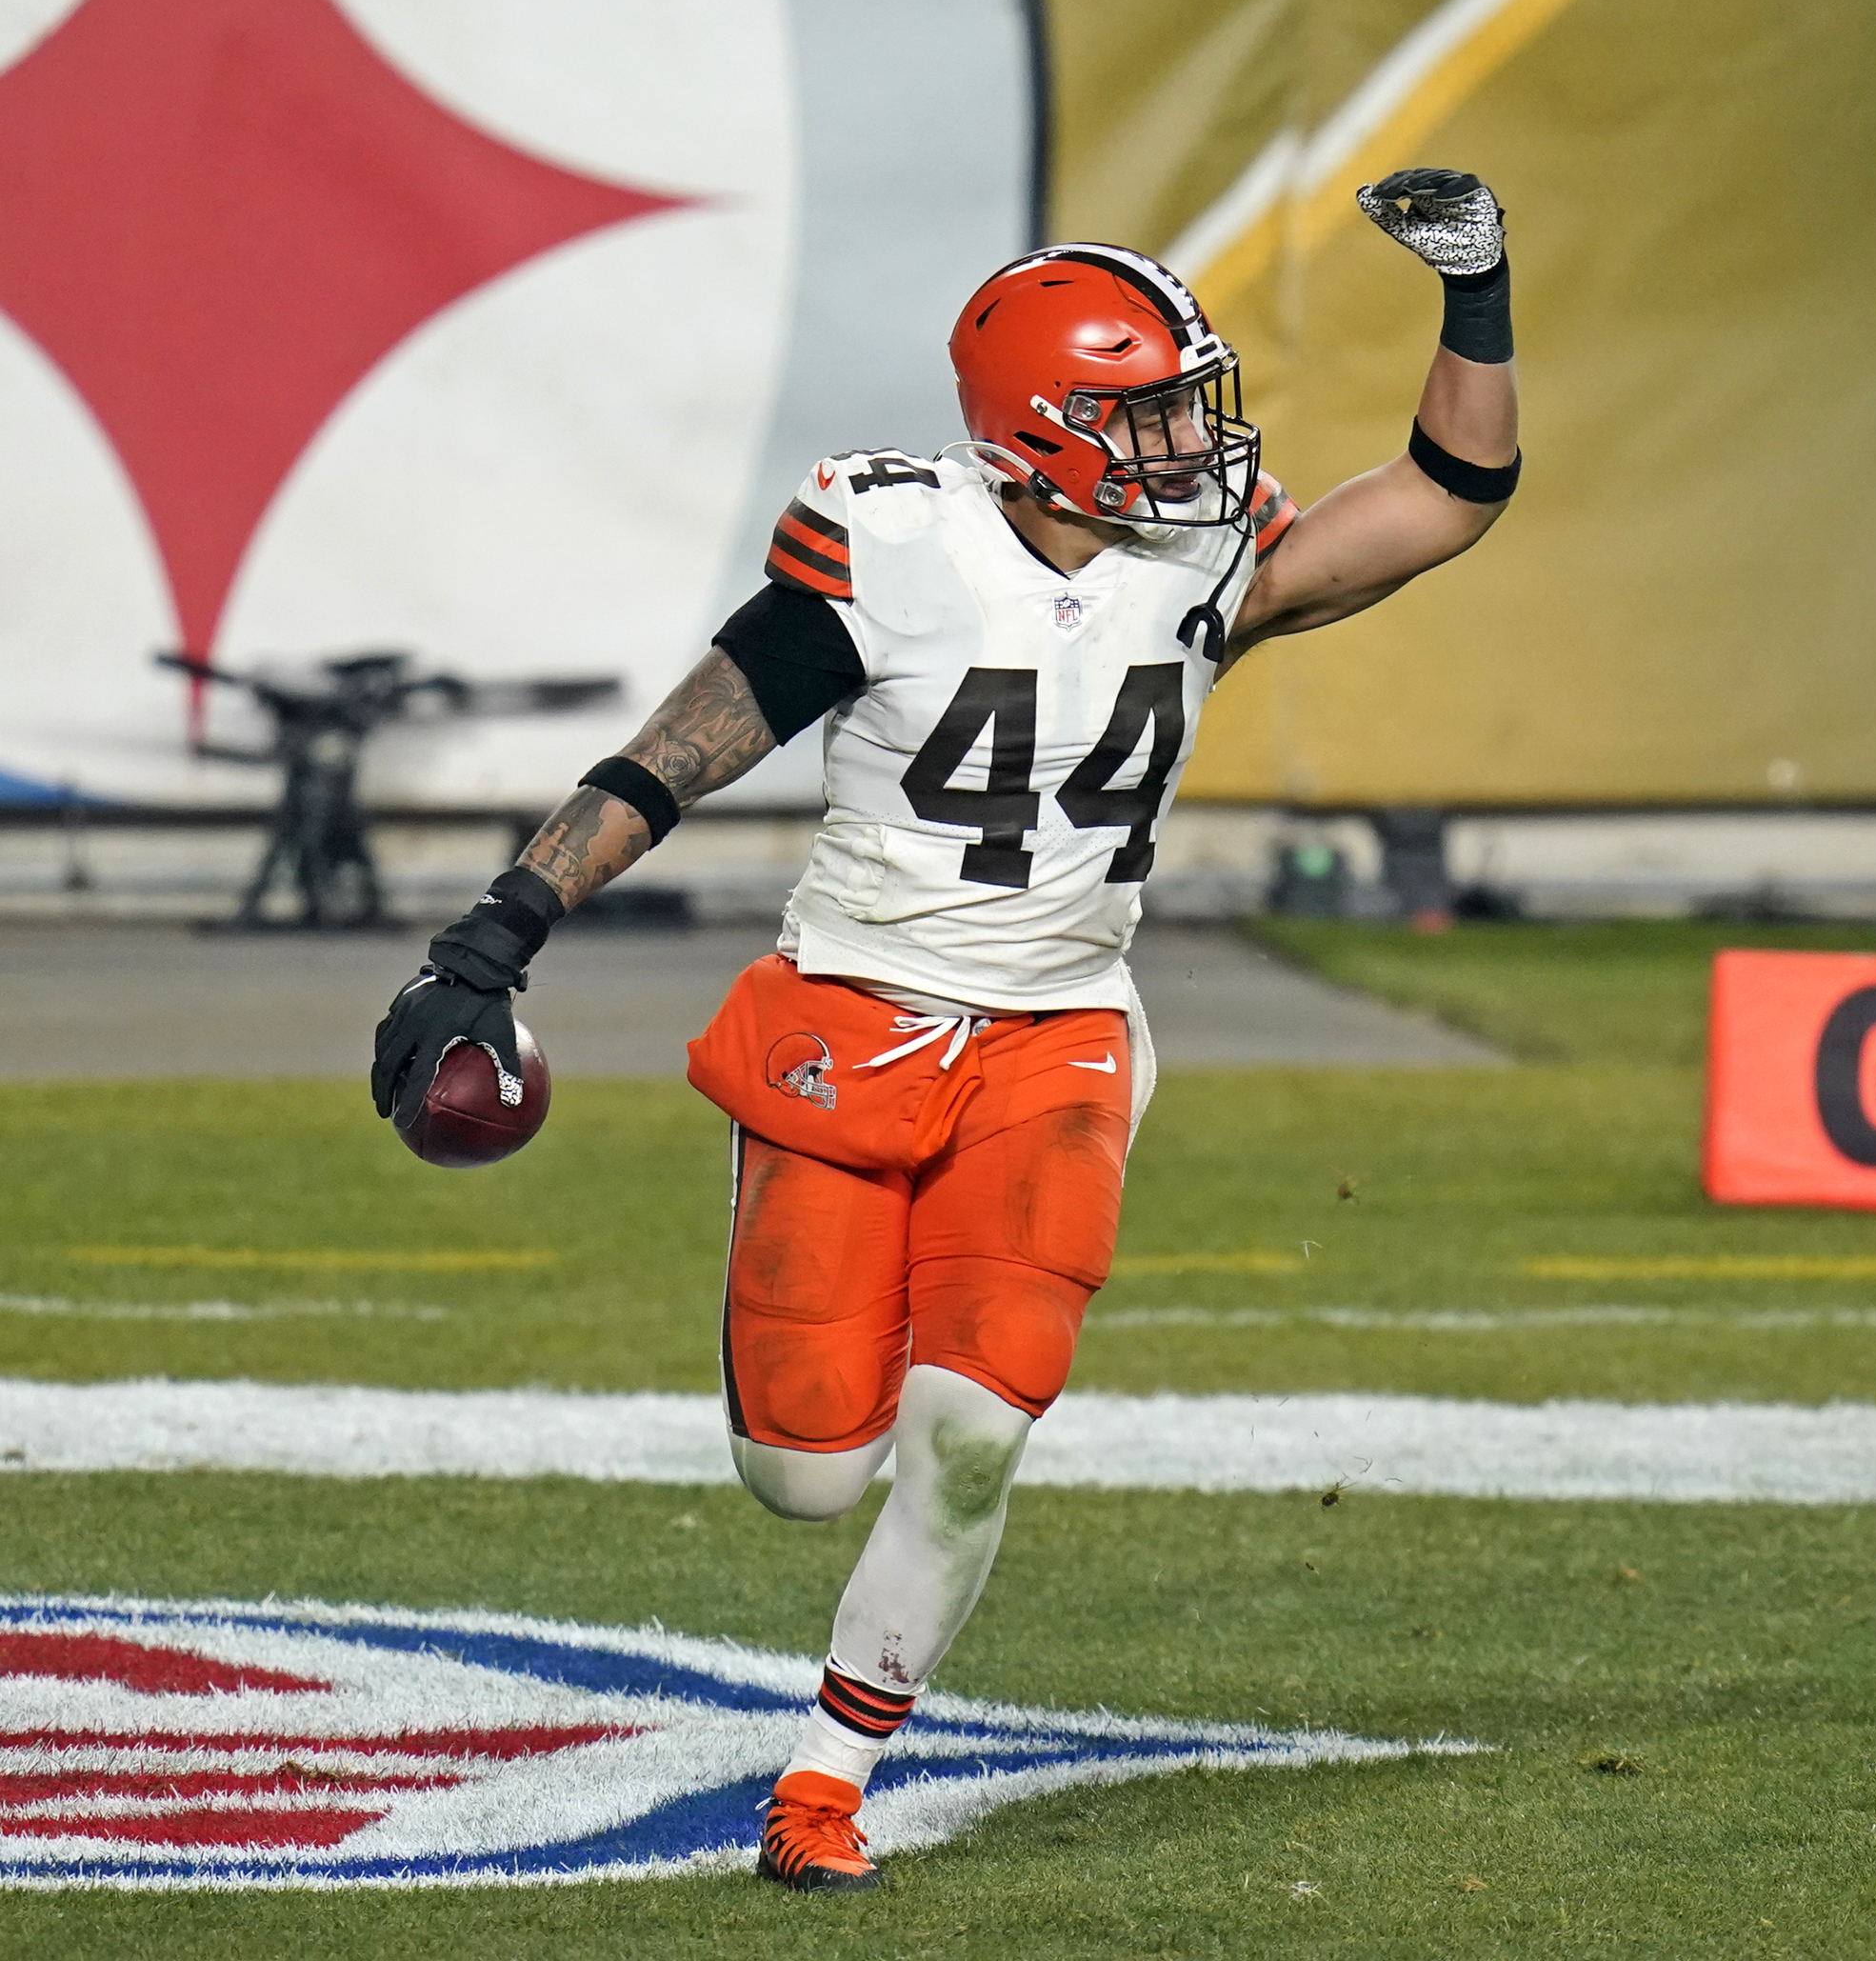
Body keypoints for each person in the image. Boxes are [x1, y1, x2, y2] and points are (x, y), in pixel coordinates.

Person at [369, 170, 1522, 1890]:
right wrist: (498, 927)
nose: (1190, 450)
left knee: (977, 1427)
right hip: (851, 1013)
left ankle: (827, 1780)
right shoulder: (889, 544)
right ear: (1034, 436)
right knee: (807, 1479)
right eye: (1143, 415)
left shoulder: (1203, 553)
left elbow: (1449, 491)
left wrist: (1478, 289)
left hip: (1060, 1028)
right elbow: (682, 750)